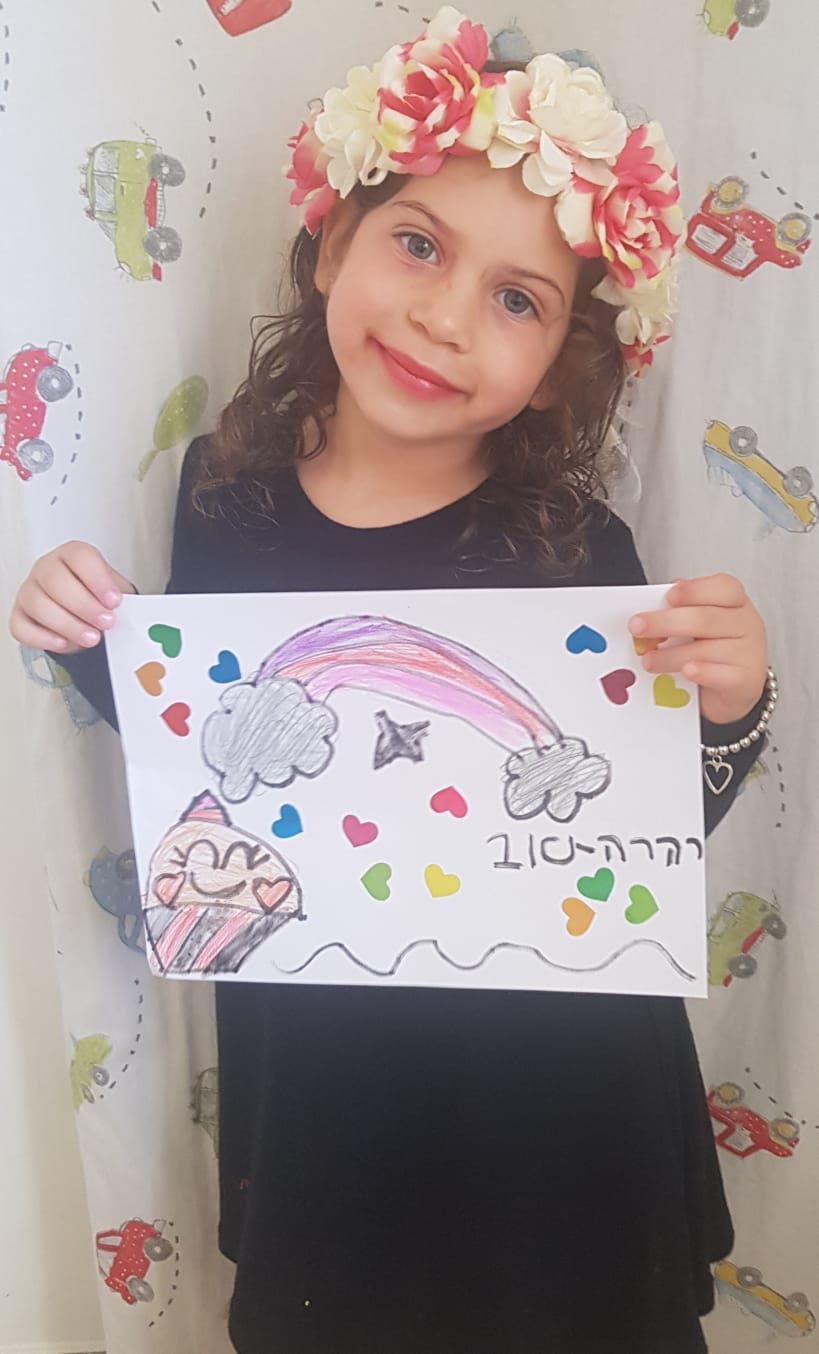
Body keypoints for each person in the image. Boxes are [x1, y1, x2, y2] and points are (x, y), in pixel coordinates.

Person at [9, 10, 774, 1352]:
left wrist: (728, 707)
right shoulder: (223, 499)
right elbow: (214, 757)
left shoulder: (578, 550)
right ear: (331, 247)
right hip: (328, 1099)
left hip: (564, 1109)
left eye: (518, 298)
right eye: (418, 243)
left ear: (558, 368)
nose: (443, 315)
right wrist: (91, 641)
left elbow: (639, 829)